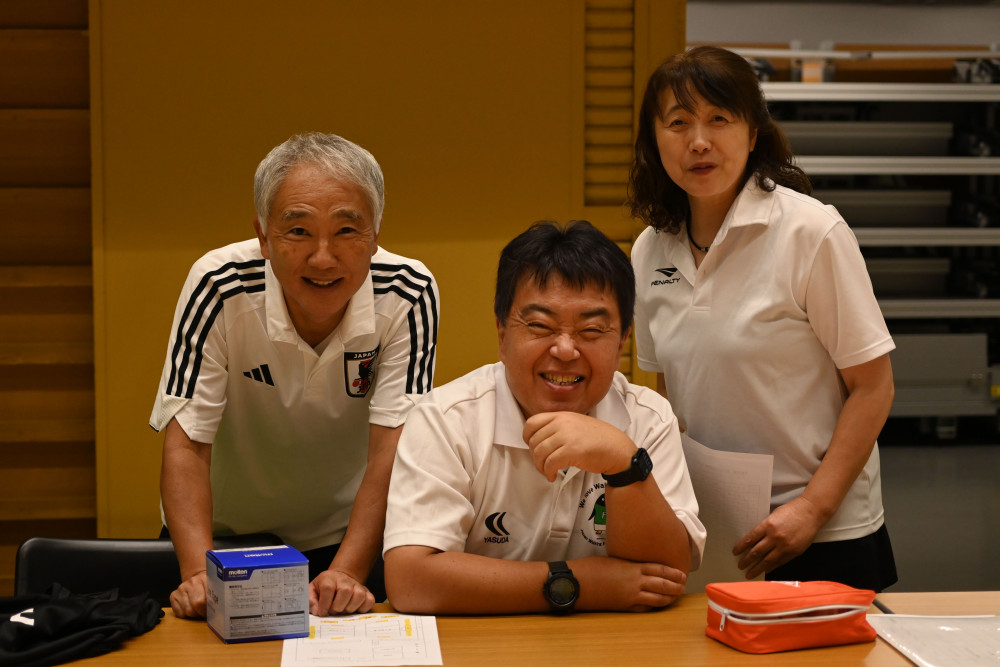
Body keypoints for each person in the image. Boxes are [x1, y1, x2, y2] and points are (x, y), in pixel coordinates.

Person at [627, 45, 897, 591]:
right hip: (717, 528)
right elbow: (668, 396)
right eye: (678, 123)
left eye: (719, 120)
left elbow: (874, 387)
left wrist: (812, 509)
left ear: (753, 133)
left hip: (825, 531)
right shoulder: (649, 251)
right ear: (654, 141)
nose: (698, 141)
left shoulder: (811, 232)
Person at [149, 132, 439, 619]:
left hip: (348, 539)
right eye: (299, 231)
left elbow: (391, 449)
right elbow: (187, 445)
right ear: (264, 237)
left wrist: (348, 571)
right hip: (224, 538)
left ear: (374, 235)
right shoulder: (218, 283)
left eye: (347, 230)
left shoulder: (408, 291)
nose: (323, 257)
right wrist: (199, 572)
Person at [382, 220, 705, 615]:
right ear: (502, 334)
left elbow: (668, 574)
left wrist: (624, 464)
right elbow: (411, 581)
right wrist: (582, 584)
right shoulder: (446, 419)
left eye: (591, 330)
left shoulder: (647, 419)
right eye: (539, 326)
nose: (565, 350)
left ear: (622, 340)